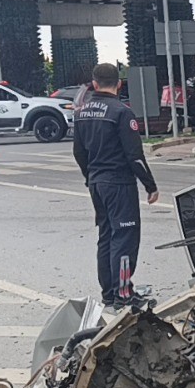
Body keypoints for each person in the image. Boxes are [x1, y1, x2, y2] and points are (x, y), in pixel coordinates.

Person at [73, 63, 160, 307]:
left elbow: (78, 152)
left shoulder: (81, 112)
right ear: (119, 84)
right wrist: (150, 185)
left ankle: (109, 293)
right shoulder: (121, 112)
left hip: (97, 182)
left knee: (106, 236)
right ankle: (123, 294)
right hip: (119, 184)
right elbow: (134, 155)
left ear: (94, 83)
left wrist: (90, 176)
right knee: (124, 237)